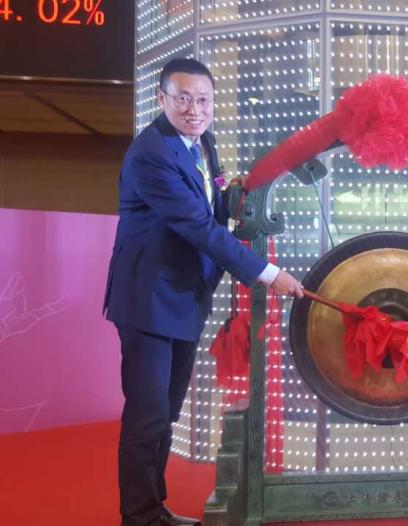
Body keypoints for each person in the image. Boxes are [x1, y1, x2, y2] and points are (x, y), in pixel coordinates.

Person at [102, 58, 304, 526]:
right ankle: (139, 517)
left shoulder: (202, 143)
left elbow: (211, 206)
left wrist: (237, 194)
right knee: (147, 416)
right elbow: (198, 227)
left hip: (185, 296)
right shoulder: (151, 153)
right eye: (183, 99)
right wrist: (267, 272)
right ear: (162, 99)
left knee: (167, 412)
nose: (195, 109)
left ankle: (154, 508)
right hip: (149, 300)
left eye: (203, 99)